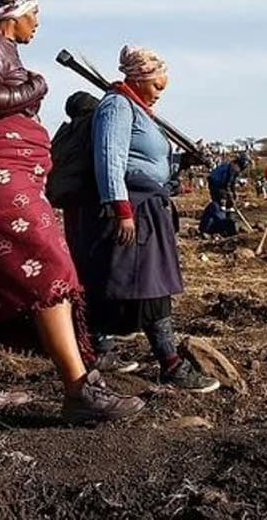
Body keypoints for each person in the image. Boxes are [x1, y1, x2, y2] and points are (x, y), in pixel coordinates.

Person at [0, 0, 144, 426]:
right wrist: (36, 86)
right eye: (34, 14)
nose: (38, 23)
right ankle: (79, 390)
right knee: (49, 268)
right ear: (14, 15)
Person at [73, 46, 219, 392]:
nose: (160, 94)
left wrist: (181, 163)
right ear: (138, 80)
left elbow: (151, 164)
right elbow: (109, 158)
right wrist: (120, 209)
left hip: (148, 204)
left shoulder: (140, 110)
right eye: (157, 87)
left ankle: (97, 349)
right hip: (132, 208)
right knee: (150, 285)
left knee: (132, 282)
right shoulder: (117, 106)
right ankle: (170, 363)